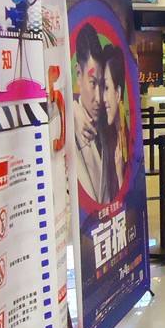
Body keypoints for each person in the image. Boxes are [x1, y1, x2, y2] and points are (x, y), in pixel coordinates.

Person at [73, 24, 111, 203]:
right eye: (93, 83)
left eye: (102, 85)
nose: (99, 98)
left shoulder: (107, 124)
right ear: (78, 74)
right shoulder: (69, 122)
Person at [100, 44, 129, 201]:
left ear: (118, 93)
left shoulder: (129, 139)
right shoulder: (107, 137)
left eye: (106, 88)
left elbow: (129, 201)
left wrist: (119, 174)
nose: (103, 98)